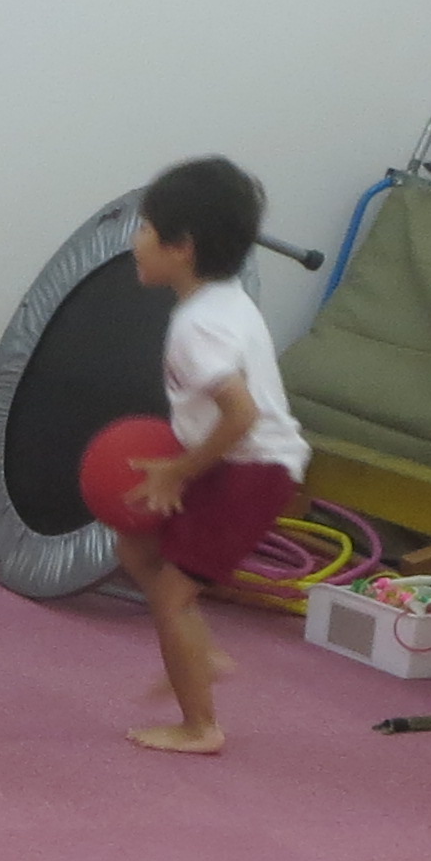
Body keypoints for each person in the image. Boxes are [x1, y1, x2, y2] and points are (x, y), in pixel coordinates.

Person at [113, 155, 306, 757]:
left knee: (171, 597)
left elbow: (242, 415)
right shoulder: (225, 300)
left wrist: (180, 469)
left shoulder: (197, 327)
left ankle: (200, 726)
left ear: (182, 247)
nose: (136, 240)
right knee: (136, 548)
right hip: (238, 463)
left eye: (146, 228)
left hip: (251, 470)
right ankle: (203, 652)